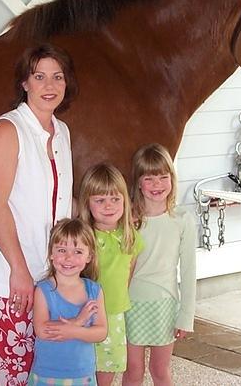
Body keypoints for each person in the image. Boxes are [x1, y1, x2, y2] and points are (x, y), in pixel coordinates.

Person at [0, 44, 78, 385]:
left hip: (53, 280)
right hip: (13, 281)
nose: (49, 85)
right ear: (24, 83)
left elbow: (62, 201)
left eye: (57, 77)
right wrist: (19, 270)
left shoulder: (61, 132)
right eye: (39, 76)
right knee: (6, 376)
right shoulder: (8, 130)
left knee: (46, 375)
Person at [123, 144, 197, 386]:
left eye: (163, 177)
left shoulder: (182, 220)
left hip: (165, 305)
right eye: (149, 178)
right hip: (130, 304)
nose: (157, 185)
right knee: (133, 371)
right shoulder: (129, 220)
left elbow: (188, 272)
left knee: (160, 370)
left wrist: (186, 315)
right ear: (139, 182)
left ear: (172, 179)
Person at [77, 163, 144, 386]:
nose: (109, 206)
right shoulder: (84, 237)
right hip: (85, 315)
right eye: (100, 200)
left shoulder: (128, 236)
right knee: (83, 368)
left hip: (114, 315)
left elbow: (130, 269)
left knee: (107, 368)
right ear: (87, 202)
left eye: (115, 199)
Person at [30, 218, 108, 385]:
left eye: (78, 252)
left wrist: (73, 331)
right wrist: (78, 321)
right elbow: (43, 331)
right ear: (51, 253)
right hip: (47, 374)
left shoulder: (94, 290)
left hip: (83, 374)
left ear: (89, 256)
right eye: (62, 250)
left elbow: (101, 332)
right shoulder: (43, 290)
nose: (68, 258)